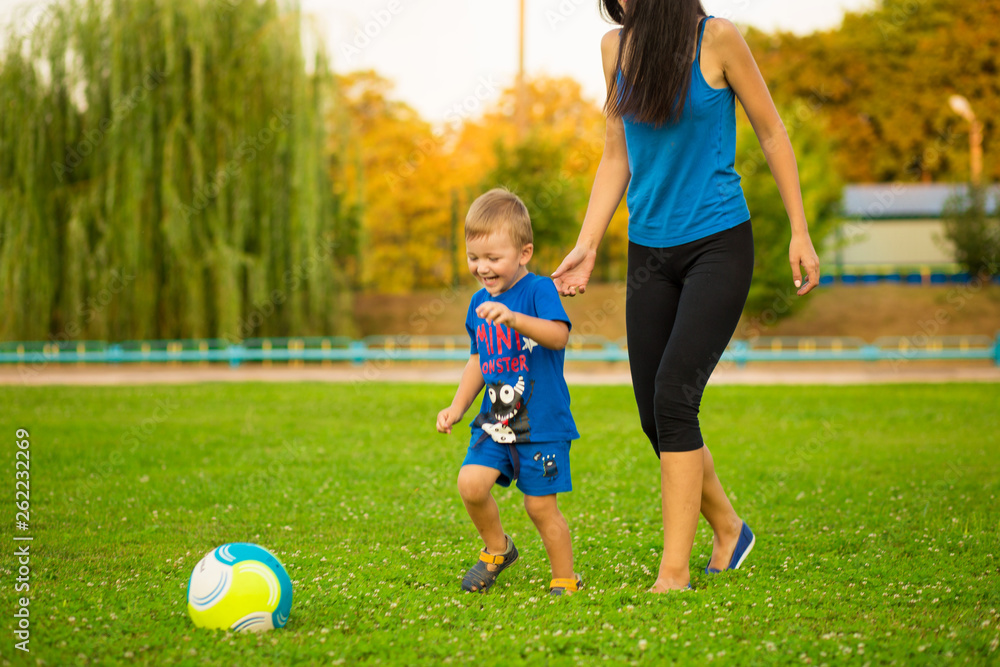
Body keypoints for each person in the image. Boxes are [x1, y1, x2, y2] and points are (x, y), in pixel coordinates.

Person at [551, 0, 821, 592]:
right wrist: (588, 243)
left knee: (675, 396)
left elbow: (772, 133)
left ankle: (673, 572)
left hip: (718, 243)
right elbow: (617, 155)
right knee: (654, 415)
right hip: (649, 252)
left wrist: (799, 230)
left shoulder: (718, 38)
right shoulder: (614, 50)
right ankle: (728, 526)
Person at [436, 188, 583, 596]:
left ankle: (564, 579)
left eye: (493, 258)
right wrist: (457, 405)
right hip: (496, 421)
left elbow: (558, 336)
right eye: (473, 257)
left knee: (539, 506)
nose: (482, 268)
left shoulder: (538, 291)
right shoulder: (477, 303)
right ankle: (497, 549)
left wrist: (514, 317)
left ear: (524, 252)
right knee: (471, 484)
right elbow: (477, 361)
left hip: (542, 422)